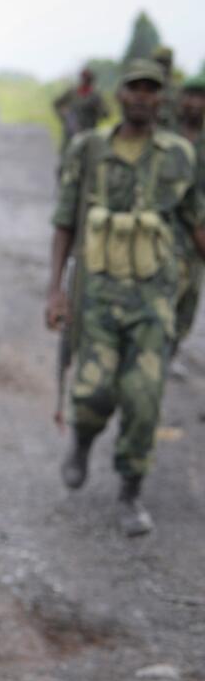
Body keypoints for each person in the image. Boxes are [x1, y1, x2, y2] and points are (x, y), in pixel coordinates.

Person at [45, 59, 205, 536]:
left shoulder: (180, 155)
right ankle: (82, 441)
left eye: (151, 90)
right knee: (94, 393)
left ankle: (130, 492)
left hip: (155, 300)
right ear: (120, 96)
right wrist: (55, 291)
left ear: (163, 99)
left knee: (143, 400)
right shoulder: (89, 149)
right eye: (134, 88)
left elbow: (195, 222)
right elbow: (65, 221)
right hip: (96, 296)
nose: (142, 96)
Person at [172, 74, 205, 356]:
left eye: (201, 97)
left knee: (186, 307)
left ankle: (169, 354)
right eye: (190, 96)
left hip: (196, 245)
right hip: (162, 235)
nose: (195, 104)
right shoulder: (162, 135)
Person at [54, 67, 109, 152]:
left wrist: (97, 109)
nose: (85, 81)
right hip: (71, 132)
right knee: (66, 157)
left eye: (88, 79)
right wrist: (64, 115)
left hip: (88, 134)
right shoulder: (72, 92)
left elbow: (105, 114)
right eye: (84, 78)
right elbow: (57, 103)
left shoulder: (95, 96)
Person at [152, 45, 179, 128]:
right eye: (160, 62)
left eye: (166, 63)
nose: (163, 67)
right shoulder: (147, 87)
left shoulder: (177, 89)